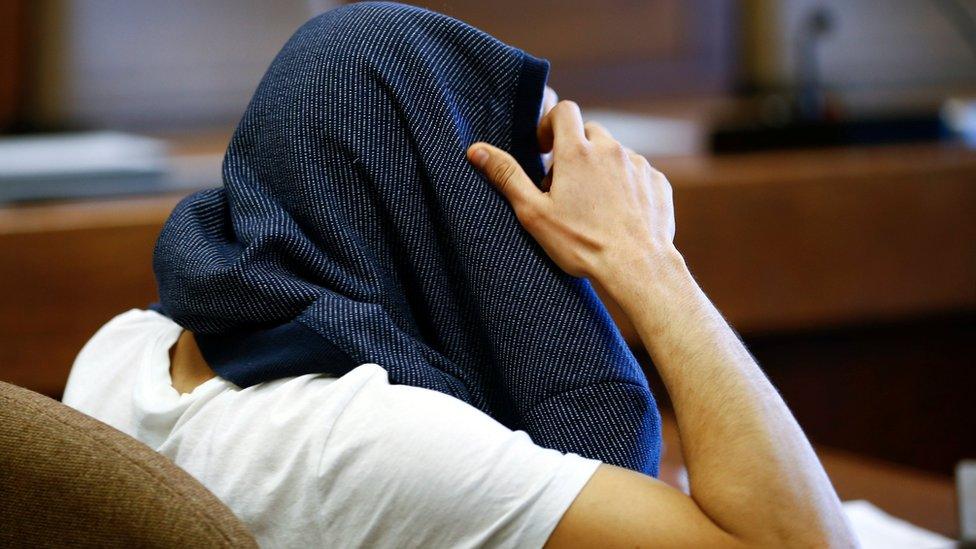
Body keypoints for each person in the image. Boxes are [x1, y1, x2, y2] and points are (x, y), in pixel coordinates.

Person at [63, 3, 855, 547]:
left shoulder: (122, 352)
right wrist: (650, 263)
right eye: (529, 167)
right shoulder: (376, 446)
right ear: (440, 195)